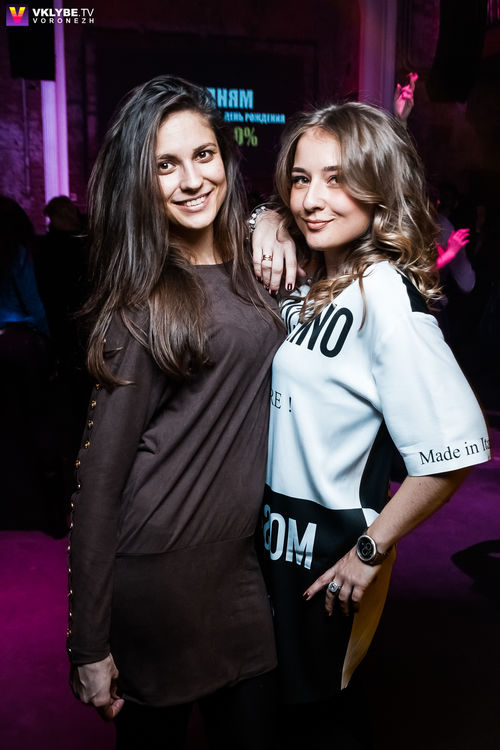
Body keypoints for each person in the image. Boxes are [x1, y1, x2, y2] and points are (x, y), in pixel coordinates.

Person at [254, 102, 490, 749]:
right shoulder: (310, 277)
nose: (311, 199)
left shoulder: (386, 292)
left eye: (337, 179)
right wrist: (266, 218)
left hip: (328, 556)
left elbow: (454, 450)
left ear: (379, 185)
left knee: (316, 719)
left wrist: (370, 550)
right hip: (269, 542)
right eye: (300, 180)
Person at [67, 75, 285, 750]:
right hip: (159, 578)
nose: (192, 180)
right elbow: (98, 481)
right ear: (141, 180)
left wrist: (270, 215)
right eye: (165, 165)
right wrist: (88, 643)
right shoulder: (143, 302)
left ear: (224, 157)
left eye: (204, 154)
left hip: (239, 569)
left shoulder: (255, 265)